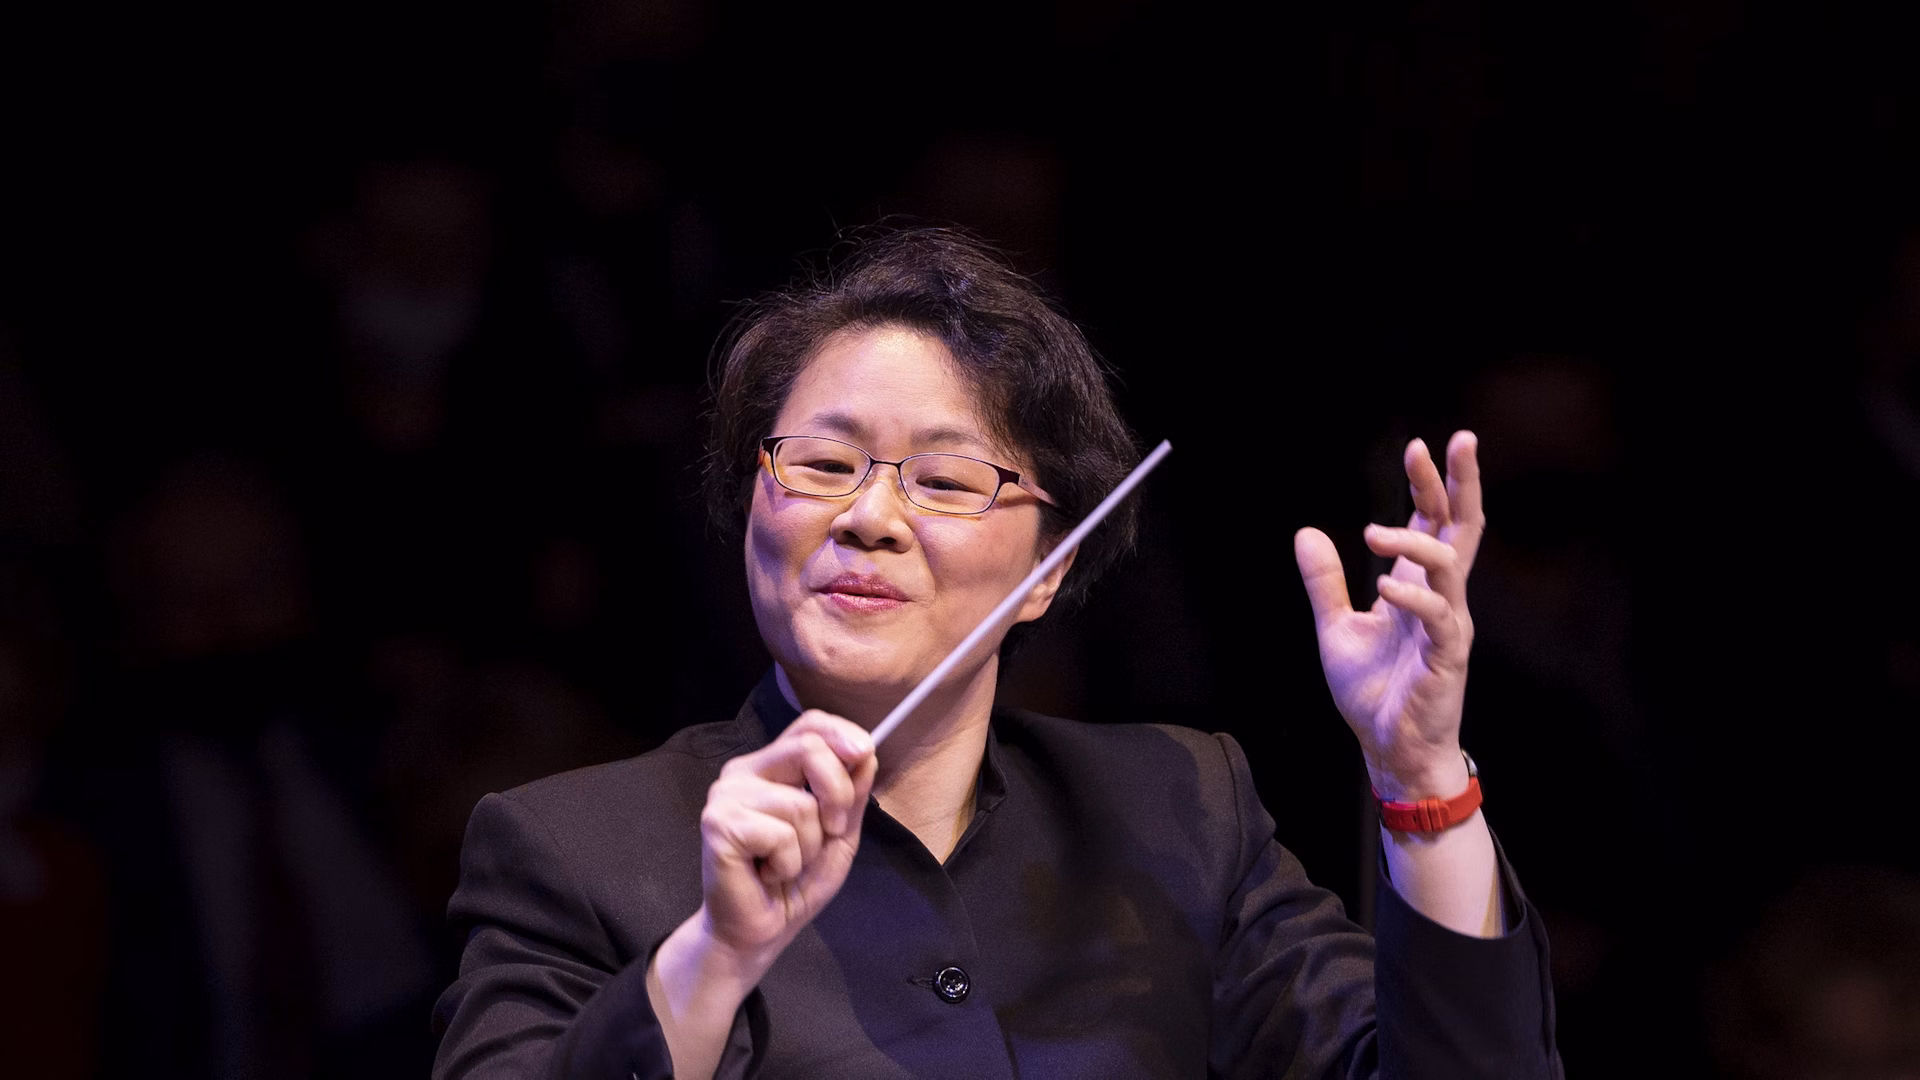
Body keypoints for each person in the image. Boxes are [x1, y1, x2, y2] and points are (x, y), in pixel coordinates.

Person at [431, 228, 1562, 1078]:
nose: (869, 517)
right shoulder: (574, 849)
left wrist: (1421, 775)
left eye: (944, 479)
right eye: (821, 465)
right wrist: (712, 958)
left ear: (1049, 570)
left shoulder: (1177, 810)